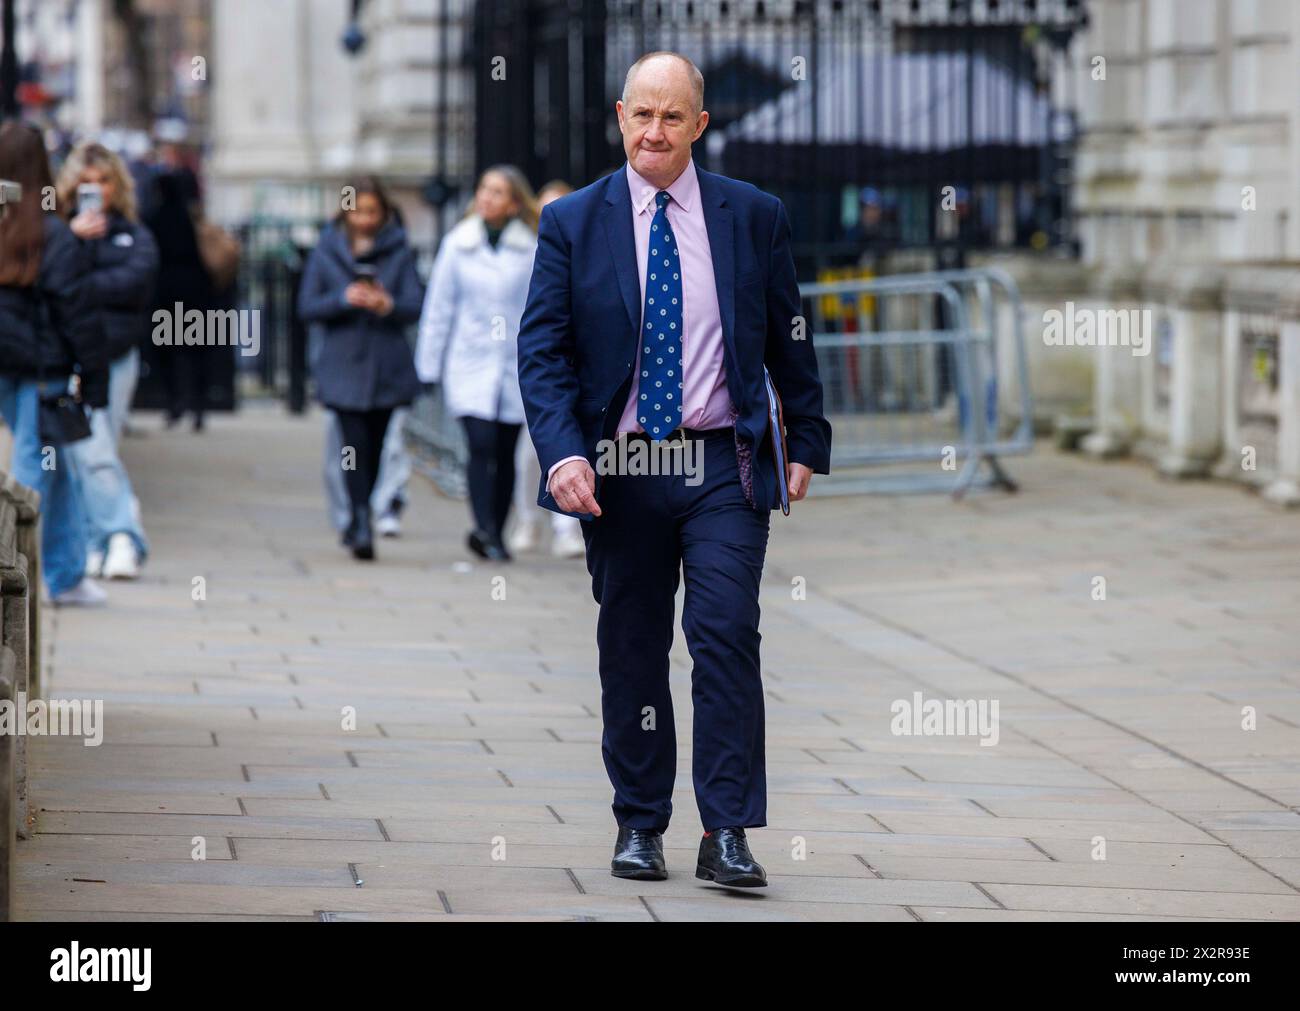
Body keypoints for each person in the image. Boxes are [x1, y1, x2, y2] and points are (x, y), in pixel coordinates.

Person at [517, 52, 831, 887]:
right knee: (633, 643)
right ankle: (641, 821)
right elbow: (543, 352)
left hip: (722, 458)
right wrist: (564, 453)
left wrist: (807, 434)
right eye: (641, 115)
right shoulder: (572, 221)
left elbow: (786, 330)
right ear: (620, 117)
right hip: (620, 465)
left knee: (725, 633)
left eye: (672, 117)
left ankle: (726, 829)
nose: (654, 132)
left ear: (699, 124)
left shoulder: (751, 215)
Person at [0, 121, 112, 606]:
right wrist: (95, 379)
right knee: (33, 468)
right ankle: (18, 577)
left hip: (11, 367)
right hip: (41, 373)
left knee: (55, 464)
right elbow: (79, 316)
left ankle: (66, 573)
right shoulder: (53, 237)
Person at [415, 165, 538, 562]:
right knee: (481, 445)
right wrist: (428, 366)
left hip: (513, 365)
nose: (487, 197)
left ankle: (495, 532)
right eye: (484, 189)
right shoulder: (458, 244)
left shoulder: (531, 247)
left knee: (505, 452)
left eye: (498, 191)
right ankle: (483, 526)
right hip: (469, 362)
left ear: (515, 202)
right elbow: (439, 306)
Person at [297, 176, 423, 560]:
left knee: (376, 444)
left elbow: (416, 304)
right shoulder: (326, 249)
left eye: (372, 211)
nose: (365, 219)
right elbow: (307, 307)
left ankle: (360, 512)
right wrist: (343, 298)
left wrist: (386, 305)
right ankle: (361, 517)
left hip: (386, 364)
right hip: (343, 365)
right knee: (353, 445)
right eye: (358, 210)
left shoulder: (400, 250)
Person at [58, 141, 158, 580]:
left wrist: (82, 287)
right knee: (83, 452)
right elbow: (48, 281)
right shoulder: (60, 234)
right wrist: (73, 241)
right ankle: (115, 535)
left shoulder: (134, 235)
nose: (96, 190)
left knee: (99, 449)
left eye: (103, 182)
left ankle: (110, 537)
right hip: (67, 355)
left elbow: (133, 284)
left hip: (114, 355)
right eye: (86, 182)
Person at [506, 179, 585, 559]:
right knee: (529, 452)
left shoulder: (588, 246)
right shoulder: (520, 249)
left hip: (579, 366)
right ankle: (527, 519)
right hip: (530, 367)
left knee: (575, 449)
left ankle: (566, 527)